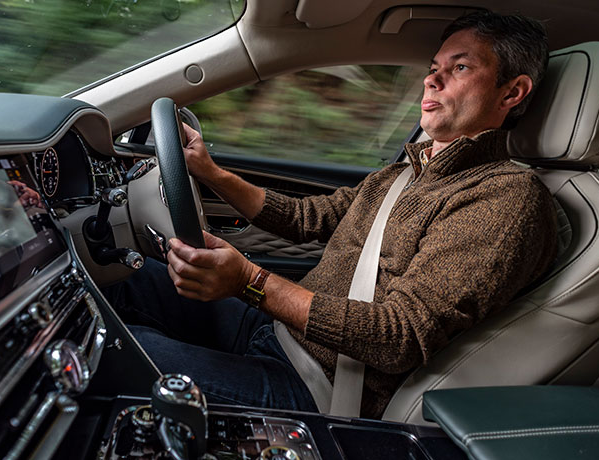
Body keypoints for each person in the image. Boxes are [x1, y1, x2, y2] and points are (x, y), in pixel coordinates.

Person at [105, 11, 557, 418]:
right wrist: (212, 173)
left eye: (459, 68)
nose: (432, 82)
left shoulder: (505, 198)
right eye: (433, 69)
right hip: (277, 333)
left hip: (320, 387)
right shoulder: (403, 174)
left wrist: (249, 282)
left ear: (512, 92)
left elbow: (402, 335)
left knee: (106, 351)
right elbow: (309, 218)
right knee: (125, 277)